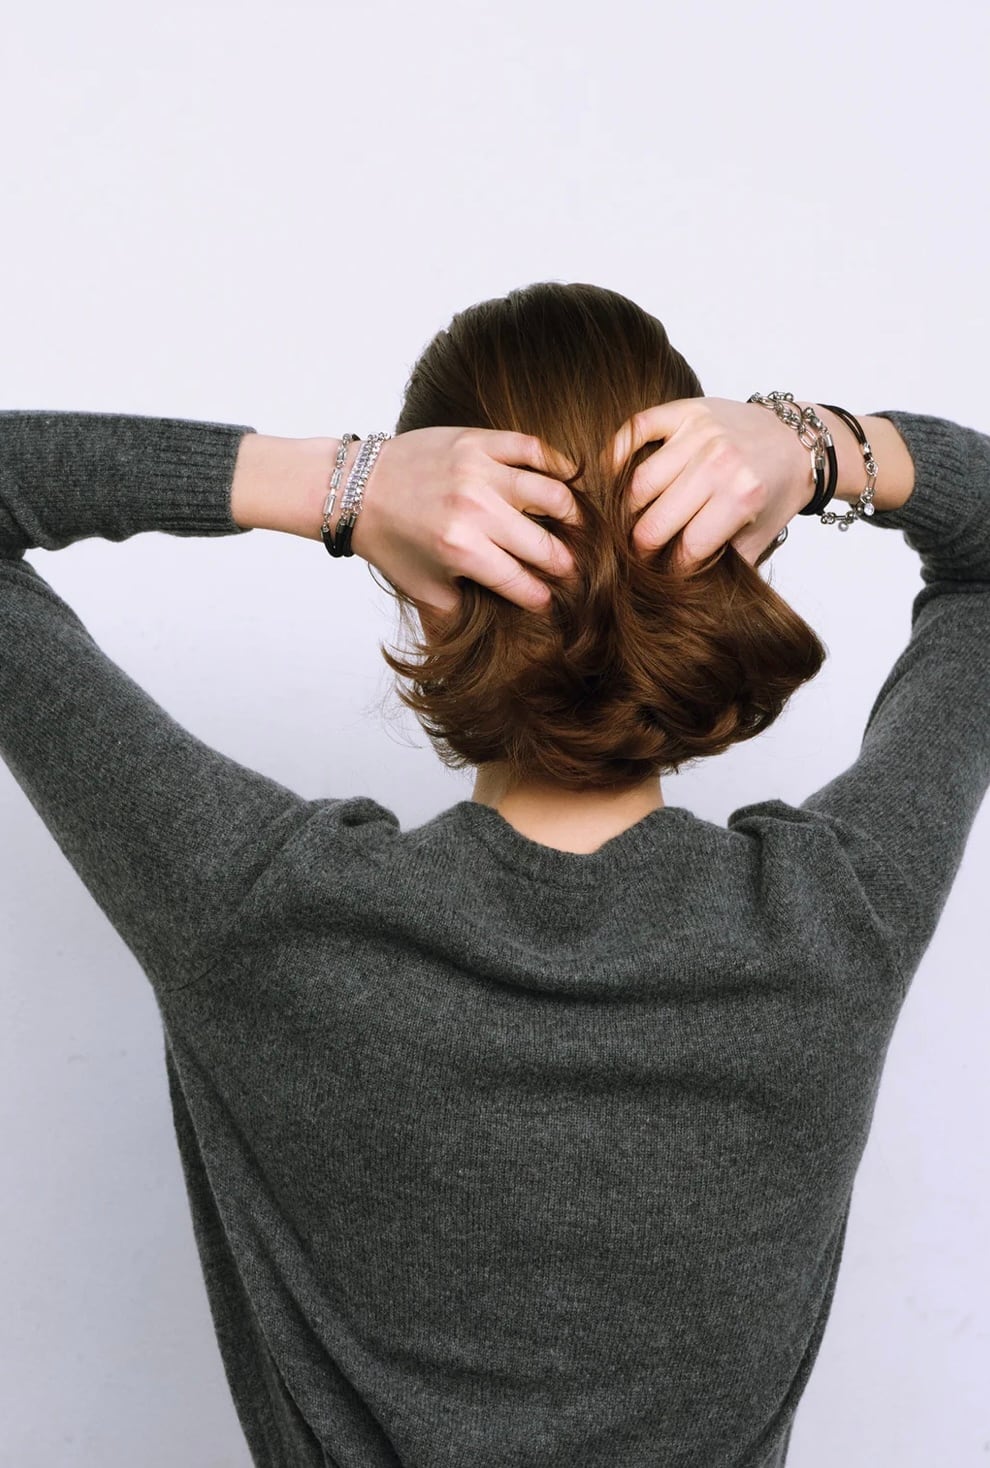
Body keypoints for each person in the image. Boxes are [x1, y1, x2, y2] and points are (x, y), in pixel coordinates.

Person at [0, 280, 986, 1468]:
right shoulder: (834, 921)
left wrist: (340, 483)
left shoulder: (257, 911)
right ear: (721, 553)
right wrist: (817, 447)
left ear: (422, 583)